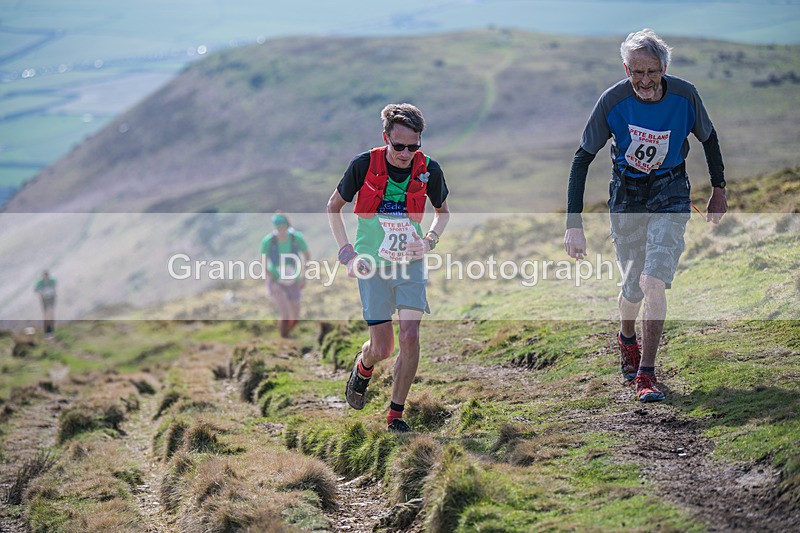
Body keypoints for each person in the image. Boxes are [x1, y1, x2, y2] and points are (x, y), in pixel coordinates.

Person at [564, 29, 728, 402]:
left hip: (671, 190)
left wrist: (718, 189)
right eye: (637, 72)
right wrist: (574, 225)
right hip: (627, 194)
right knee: (633, 285)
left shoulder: (685, 95)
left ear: (664, 68)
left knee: (653, 279)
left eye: (652, 72)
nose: (645, 81)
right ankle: (627, 337)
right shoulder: (613, 100)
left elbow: (709, 138)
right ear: (627, 70)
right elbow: (582, 158)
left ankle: (646, 374)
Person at [327, 103, 450, 432]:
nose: (406, 153)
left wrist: (429, 241)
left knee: (410, 335)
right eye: (399, 146)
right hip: (372, 264)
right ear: (386, 138)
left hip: (410, 263)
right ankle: (364, 366)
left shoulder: (429, 169)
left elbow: (443, 213)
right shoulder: (364, 164)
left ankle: (396, 415)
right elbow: (333, 207)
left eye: (413, 147)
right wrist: (347, 254)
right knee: (383, 348)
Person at [260, 213, 311, 338]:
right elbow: (262, 261)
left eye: (282, 226)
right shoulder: (269, 241)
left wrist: (304, 277)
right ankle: (284, 338)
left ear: (287, 225)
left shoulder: (296, 238)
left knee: (295, 313)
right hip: (276, 280)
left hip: (293, 279)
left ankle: (288, 334)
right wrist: (272, 281)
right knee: (285, 313)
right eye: (278, 227)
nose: (281, 230)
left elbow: (307, 256)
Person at [34, 270, 57, 338]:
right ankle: (47, 332)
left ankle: (52, 331)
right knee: (46, 315)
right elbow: (36, 289)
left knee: (51, 313)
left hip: (51, 298)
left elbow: (54, 287)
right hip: (44, 299)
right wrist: (41, 293)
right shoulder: (40, 282)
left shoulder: (52, 280)